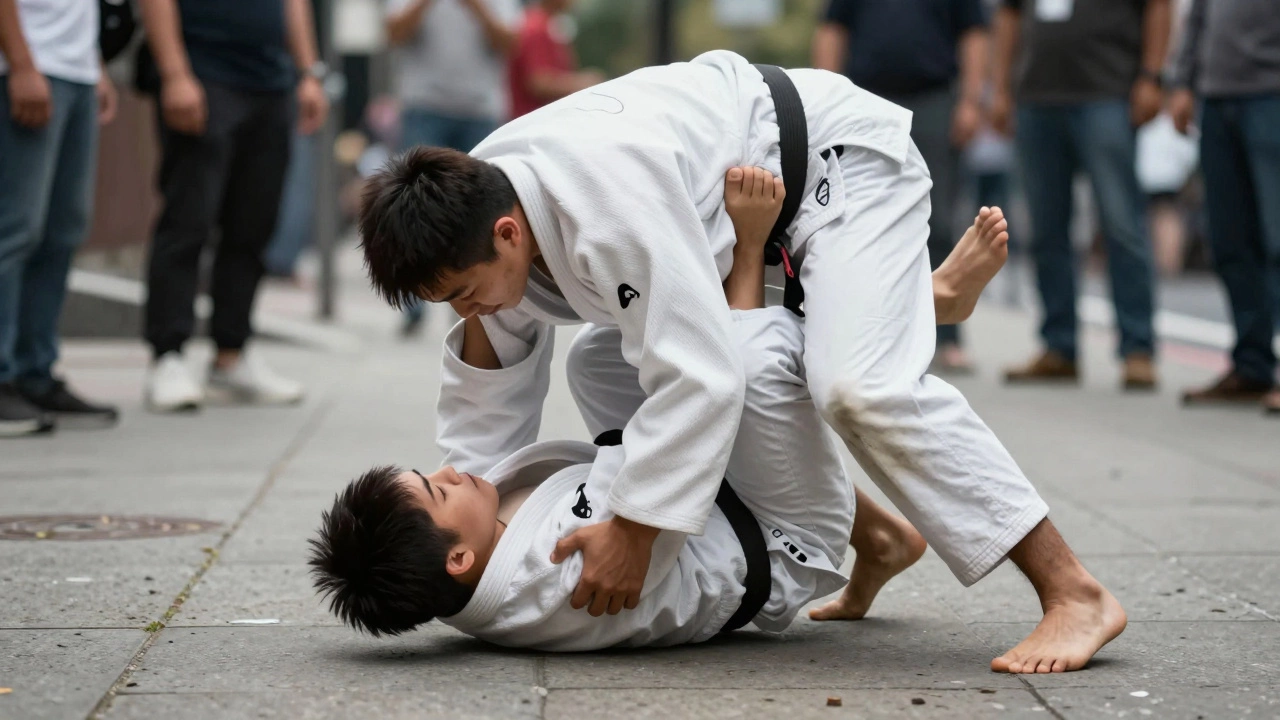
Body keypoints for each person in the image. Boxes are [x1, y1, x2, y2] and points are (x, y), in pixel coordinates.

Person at [357, 51, 1125, 673]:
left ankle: (1073, 591)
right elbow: (487, 432)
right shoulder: (483, 200)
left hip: (831, 168)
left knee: (857, 387)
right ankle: (907, 313)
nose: (467, 314)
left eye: (465, 292)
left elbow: (704, 373)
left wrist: (638, 525)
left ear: (506, 235)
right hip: (734, 219)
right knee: (602, 362)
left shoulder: (602, 198)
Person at [310, 171, 998, 646]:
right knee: (718, 370)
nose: (451, 473)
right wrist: (746, 245)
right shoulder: (554, 570)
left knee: (598, 359)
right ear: (459, 558)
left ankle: (879, 537)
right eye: (436, 489)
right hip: (786, 539)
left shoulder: (470, 574)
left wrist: (489, 292)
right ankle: (920, 305)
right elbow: (690, 412)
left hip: (720, 516)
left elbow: (484, 433)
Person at [137, 0, 328, 412]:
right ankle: (167, 356)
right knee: (188, 221)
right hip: (203, 72)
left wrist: (309, 73)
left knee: (253, 225)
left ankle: (231, 353)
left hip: (271, 81)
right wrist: (174, 74)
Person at [990, 0, 1171, 390]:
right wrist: (1002, 88)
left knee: (1121, 224)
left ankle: (1138, 348)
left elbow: (1159, 6)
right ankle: (1059, 347)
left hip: (1107, 93)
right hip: (1037, 97)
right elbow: (1008, 15)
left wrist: (1152, 76)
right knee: (1046, 229)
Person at [812, 0, 989, 373]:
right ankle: (864, 334)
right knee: (858, 221)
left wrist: (971, 101)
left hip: (935, 99)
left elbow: (974, 33)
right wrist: (823, 99)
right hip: (865, 99)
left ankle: (947, 338)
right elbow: (832, 28)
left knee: (938, 222)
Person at [0, 0, 119, 436]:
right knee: (14, 229)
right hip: (29, 66)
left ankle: (35, 373)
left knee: (62, 229)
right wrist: (21, 64)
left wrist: (94, 65)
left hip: (76, 70)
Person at [384, 0, 521, 336]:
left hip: (480, 110)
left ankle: (477, 304)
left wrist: (477, 7)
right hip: (424, 106)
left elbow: (510, 44)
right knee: (412, 209)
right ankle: (414, 302)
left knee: (483, 212)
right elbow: (394, 34)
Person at [1169, 0, 1280, 415]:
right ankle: (1252, 365)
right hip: (1216, 97)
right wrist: (1182, 81)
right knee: (1230, 240)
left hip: (1272, 91)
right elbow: (1200, 12)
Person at [507, 0, 604, 120]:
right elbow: (538, 83)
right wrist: (583, 82)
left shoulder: (548, 25)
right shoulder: (537, 27)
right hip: (531, 122)